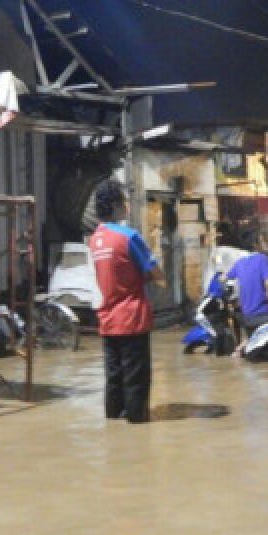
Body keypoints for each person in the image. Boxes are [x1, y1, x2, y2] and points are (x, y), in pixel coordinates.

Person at [89, 181, 163, 423]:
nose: (127, 206)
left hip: (107, 319)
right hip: (131, 318)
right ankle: (137, 427)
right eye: (123, 201)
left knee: (114, 376)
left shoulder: (95, 239)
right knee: (136, 378)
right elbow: (156, 274)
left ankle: (113, 422)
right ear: (115, 206)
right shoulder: (129, 236)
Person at [226, 243, 268, 353]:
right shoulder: (263, 259)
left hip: (246, 315)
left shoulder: (239, 262)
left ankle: (239, 350)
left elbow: (225, 277)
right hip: (262, 314)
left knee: (251, 337)